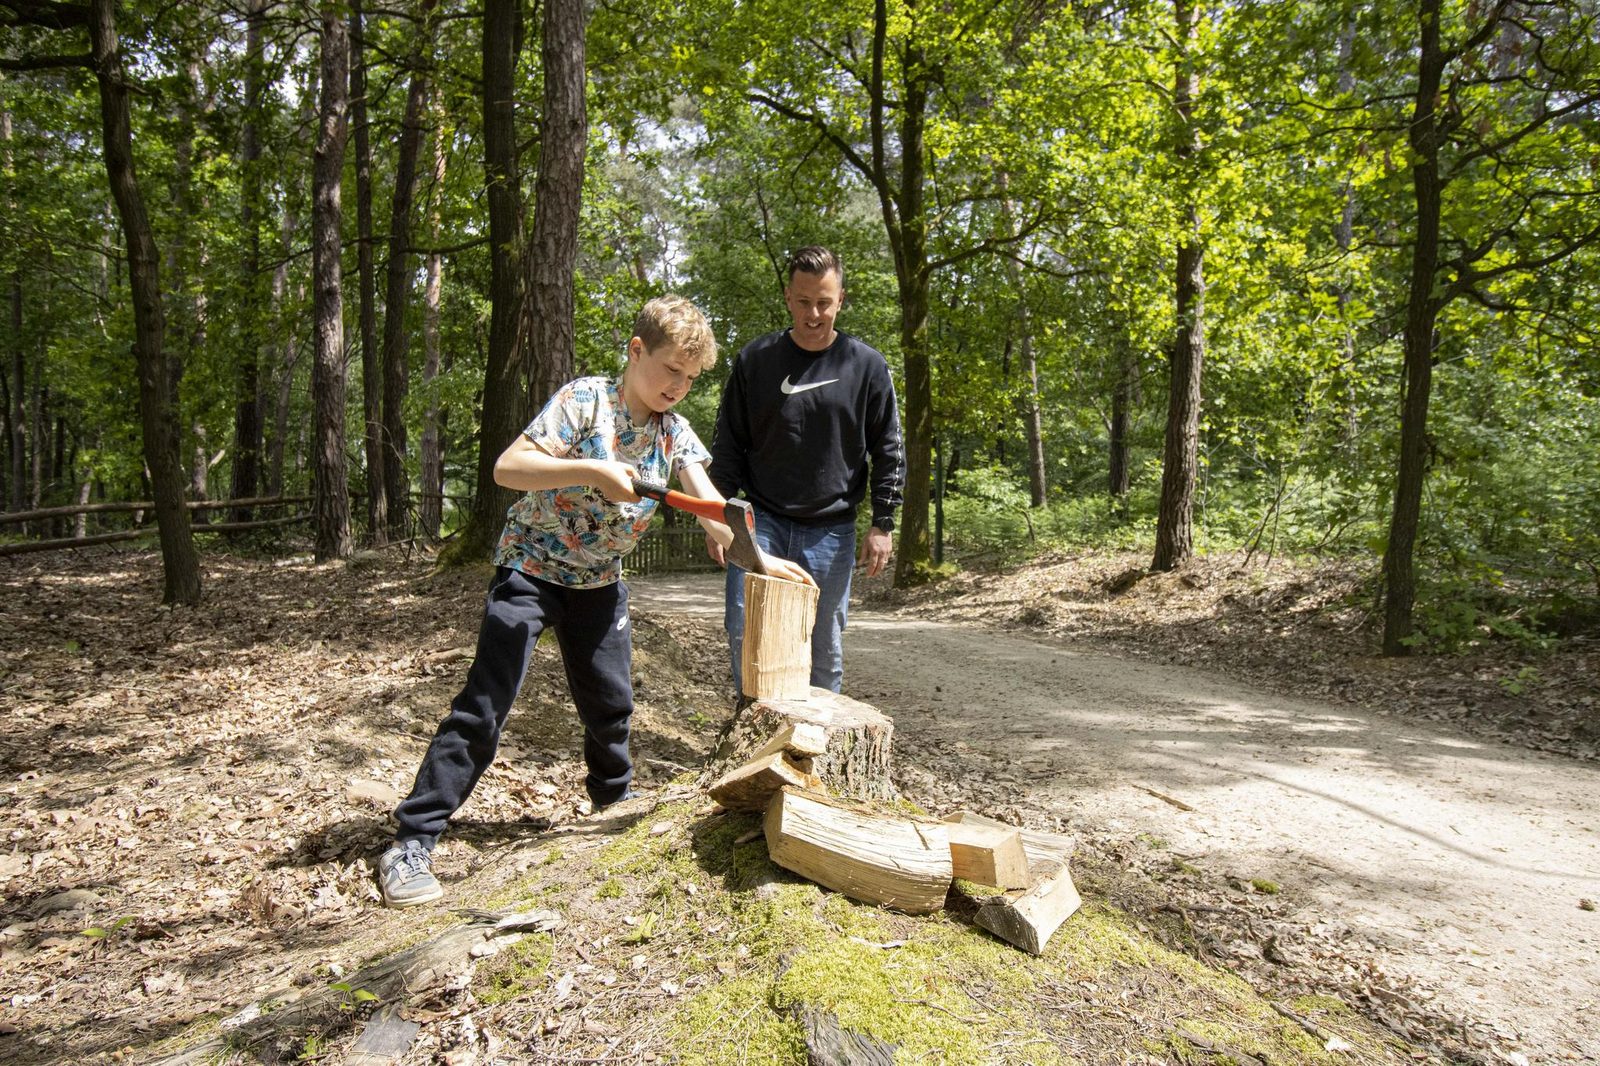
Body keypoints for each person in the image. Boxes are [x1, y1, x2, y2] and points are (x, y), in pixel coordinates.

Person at [379, 295, 813, 908]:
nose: (679, 388)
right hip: (528, 571)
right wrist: (589, 469)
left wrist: (761, 557)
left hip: (600, 585)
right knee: (485, 704)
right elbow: (509, 467)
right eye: (670, 371)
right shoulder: (586, 401)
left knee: (612, 705)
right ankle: (413, 840)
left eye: (691, 379)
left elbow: (714, 512)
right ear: (636, 352)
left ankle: (611, 801)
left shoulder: (675, 434)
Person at [707, 246, 903, 696]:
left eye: (824, 302)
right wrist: (717, 514)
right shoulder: (755, 360)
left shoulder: (867, 366)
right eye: (803, 301)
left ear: (841, 299)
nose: (813, 314)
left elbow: (889, 448)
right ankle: (751, 740)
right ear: (787, 297)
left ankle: (817, 746)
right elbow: (728, 443)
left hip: (832, 531)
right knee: (747, 633)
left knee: (824, 646)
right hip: (759, 523)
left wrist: (883, 523)